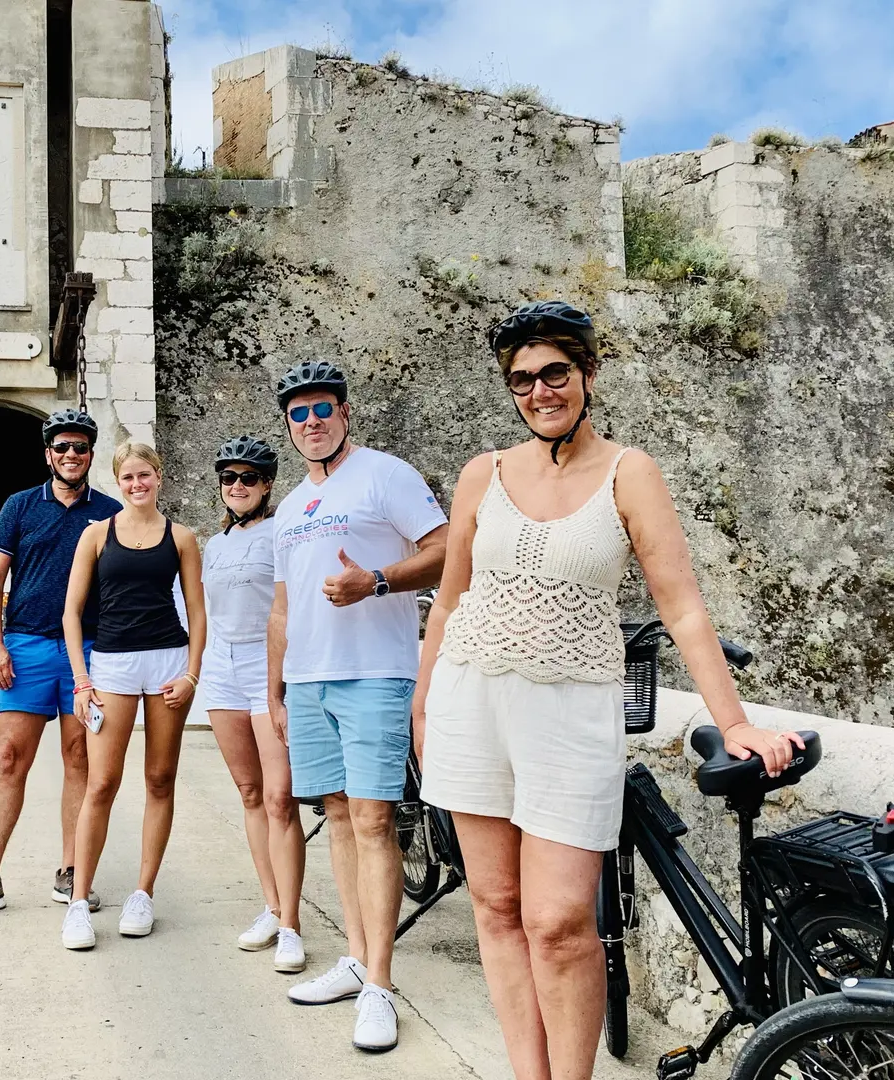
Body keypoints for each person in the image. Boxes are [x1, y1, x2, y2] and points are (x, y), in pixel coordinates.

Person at [416, 301, 805, 1080]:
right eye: (521, 380)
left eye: (554, 372)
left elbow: (682, 605)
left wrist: (735, 723)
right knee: (493, 908)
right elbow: (452, 598)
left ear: (588, 374)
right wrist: (423, 704)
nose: (538, 392)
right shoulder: (480, 475)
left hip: (570, 713)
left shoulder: (630, 472)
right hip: (470, 702)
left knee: (560, 922)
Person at [267, 360, 448, 1053]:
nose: (311, 422)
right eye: (299, 414)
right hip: (309, 679)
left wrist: (374, 581)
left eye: (323, 410)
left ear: (345, 414)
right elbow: (282, 607)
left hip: (375, 671)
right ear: (288, 426)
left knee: (374, 820)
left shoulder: (385, 475)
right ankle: (354, 957)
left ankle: (380, 984)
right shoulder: (288, 506)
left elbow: (445, 549)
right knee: (338, 816)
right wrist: (277, 688)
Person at [0, 409, 121, 921]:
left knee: (79, 758)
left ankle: (73, 871)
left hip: (88, 651)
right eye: (63, 447)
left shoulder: (110, 511)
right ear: (48, 453)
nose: (72, 455)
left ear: (91, 454)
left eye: (81, 447)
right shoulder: (20, 505)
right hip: (25, 647)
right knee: (9, 759)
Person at [57, 443, 206, 949]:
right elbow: (71, 613)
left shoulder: (181, 538)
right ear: (118, 482)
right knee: (101, 782)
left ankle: (143, 893)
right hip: (113, 666)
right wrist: (81, 680)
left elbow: (197, 612)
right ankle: (79, 902)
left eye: (144, 475)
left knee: (160, 779)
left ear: (159, 478)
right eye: (128, 477)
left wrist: (191, 674)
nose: (137, 484)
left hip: (167, 661)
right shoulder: (96, 535)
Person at [200, 435, 307, 974]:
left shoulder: (281, 534)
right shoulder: (214, 545)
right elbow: (205, 615)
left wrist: (281, 682)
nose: (236, 486)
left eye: (247, 478)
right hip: (222, 670)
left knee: (279, 797)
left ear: (267, 484)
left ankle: (290, 923)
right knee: (248, 792)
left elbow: (292, 607)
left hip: (270, 669)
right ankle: (270, 906)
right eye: (228, 478)